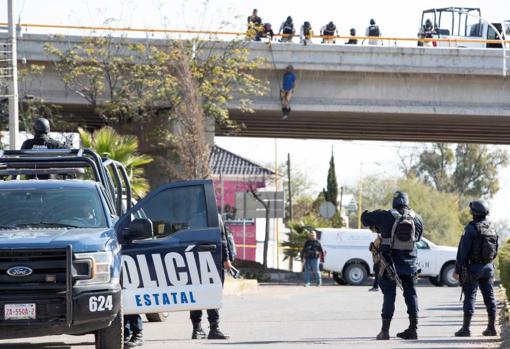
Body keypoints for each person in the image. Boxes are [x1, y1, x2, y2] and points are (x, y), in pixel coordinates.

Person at [361, 191, 424, 340]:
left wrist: (371, 216)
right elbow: (419, 238)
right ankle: (413, 329)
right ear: (407, 202)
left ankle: (385, 331)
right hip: (410, 266)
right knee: (411, 294)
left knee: (389, 296)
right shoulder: (418, 219)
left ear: (394, 203)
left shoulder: (384, 215)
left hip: (389, 265)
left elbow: (364, 219)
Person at [453, 200, 498, 337]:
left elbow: (463, 252)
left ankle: (466, 329)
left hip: (473, 268)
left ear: (474, 213)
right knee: (490, 297)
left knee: (470, 297)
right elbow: (496, 250)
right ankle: (491, 328)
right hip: (488, 267)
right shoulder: (492, 228)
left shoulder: (470, 228)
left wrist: (457, 270)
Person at [190, 217, 233, 340]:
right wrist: (226, 259)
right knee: (212, 294)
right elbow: (222, 238)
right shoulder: (213, 214)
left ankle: (197, 329)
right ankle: (214, 329)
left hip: (194, 259)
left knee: (196, 293)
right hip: (213, 259)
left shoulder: (191, 214)